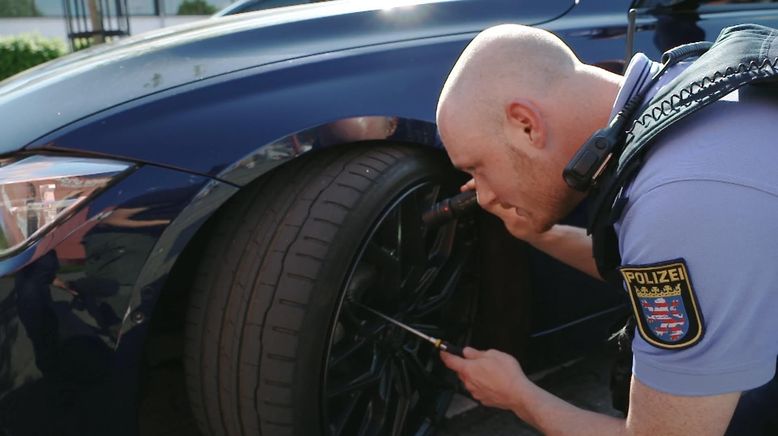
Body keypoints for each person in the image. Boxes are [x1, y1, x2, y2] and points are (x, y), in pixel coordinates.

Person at [435, 24, 778, 434]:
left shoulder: (679, 201)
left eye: (477, 167)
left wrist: (518, 395)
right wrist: (537, 233)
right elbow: (644, 273)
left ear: (526, 124)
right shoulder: (681, 90)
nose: (485, 196)